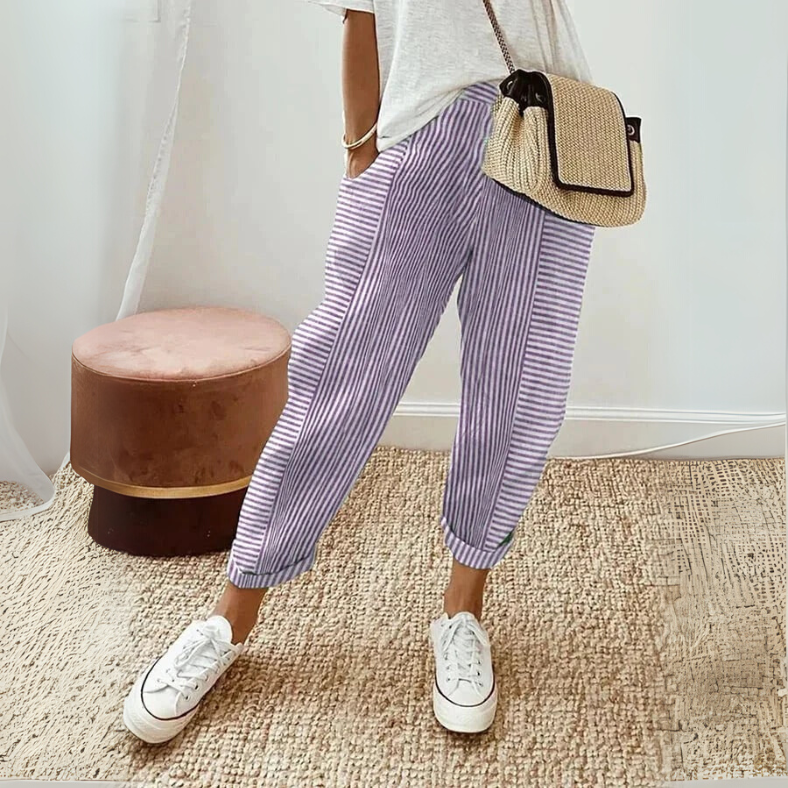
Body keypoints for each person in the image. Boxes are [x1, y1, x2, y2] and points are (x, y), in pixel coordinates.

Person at [123, 0, 595, 743]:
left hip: (547, 133)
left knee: (519, 393)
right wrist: (359, 149)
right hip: (422, 128)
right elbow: (359, 12)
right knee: (337, 382)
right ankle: (228, 618)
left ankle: (463, 611)